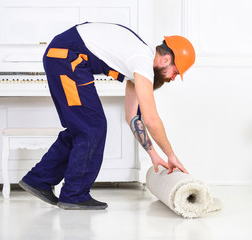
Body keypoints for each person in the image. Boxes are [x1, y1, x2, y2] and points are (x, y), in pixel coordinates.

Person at [19, 22, 195, 210]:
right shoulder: (142, 60)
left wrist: (152, 154)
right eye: (176, 72)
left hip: (63, 57)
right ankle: (74, 195)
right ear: (166, 60)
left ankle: (39, 180)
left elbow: (133, 117)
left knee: (82, 127)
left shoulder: (137, 62)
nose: (173, 78)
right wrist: (170, 155)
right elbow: (151, 119)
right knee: (92, 126)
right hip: (66, 58)